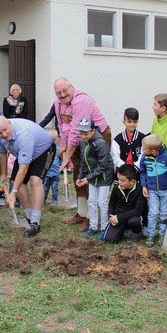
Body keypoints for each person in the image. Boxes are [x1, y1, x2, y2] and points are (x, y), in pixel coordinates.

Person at [53, 77, 110, 231]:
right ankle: (81, 212)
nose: (63, 95)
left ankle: (91, 218)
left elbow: (76, 132)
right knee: (78, 174)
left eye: (65, 91)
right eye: (59, 93)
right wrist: (63, 147)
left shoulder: (81, 101)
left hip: (97, 137)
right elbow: (62, 126)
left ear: (72, 87)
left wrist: (66, 158)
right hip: (78, 139)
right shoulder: (58, 103)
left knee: (92, 176)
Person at [0, 115, 55, 237]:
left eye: (5, 130)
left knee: (35, 180)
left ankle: (35, 222)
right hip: (24, 153)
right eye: (0, 133)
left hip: (44, 150)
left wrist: (13, 192)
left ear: (9, 124)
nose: (4, 135)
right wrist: (3, 174)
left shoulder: (23, 134)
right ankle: (29, 215)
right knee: (15, 181)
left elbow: (24, 168)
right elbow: (2, 154)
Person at [75, 117, 115, 239]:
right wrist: (80, 176)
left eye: (86, 134)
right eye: (81, 133)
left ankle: (104, 228)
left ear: (93, 130)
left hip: (104, 177)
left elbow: (103, 165)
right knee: (91, 201)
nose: (83, 136)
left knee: (102, 202)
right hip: (92, 177)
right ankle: (93, 226)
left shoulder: (100, 143)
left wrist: (88, 178)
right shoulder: (82, 142)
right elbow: (83, 161)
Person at [139, 134, 167, 247]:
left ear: (153, 151)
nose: (142, 150)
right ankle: (151, 234)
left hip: (165, 190)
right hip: (152, 190)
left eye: (144, 148)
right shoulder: (144, 157)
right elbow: (142, 172)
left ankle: (162, 234)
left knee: (164, 212)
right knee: (153, 212)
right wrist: (144, 185)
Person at [102, 165, 146, 244]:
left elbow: (138, 210)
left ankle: (135, 233)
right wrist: (111, 217)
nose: (119, 182)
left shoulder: (140, 190)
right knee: (109, 239)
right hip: (119, 216)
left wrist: (119, 218)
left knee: (134, 222)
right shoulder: (116, 188)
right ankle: (123, 231)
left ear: (132, 181)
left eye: (122, 180)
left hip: (132, 216)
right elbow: (111, 204)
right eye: (118, 179)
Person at [43, 129, 61, 206]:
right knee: (45, 188)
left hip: (55, 172)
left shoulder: (58, 149)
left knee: (55, 188)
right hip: (46, 173)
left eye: (54, 139)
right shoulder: (44, 149)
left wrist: (60, 166)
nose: (53, 141)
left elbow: (61, 158)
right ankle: (43, 200)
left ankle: (54, 201)